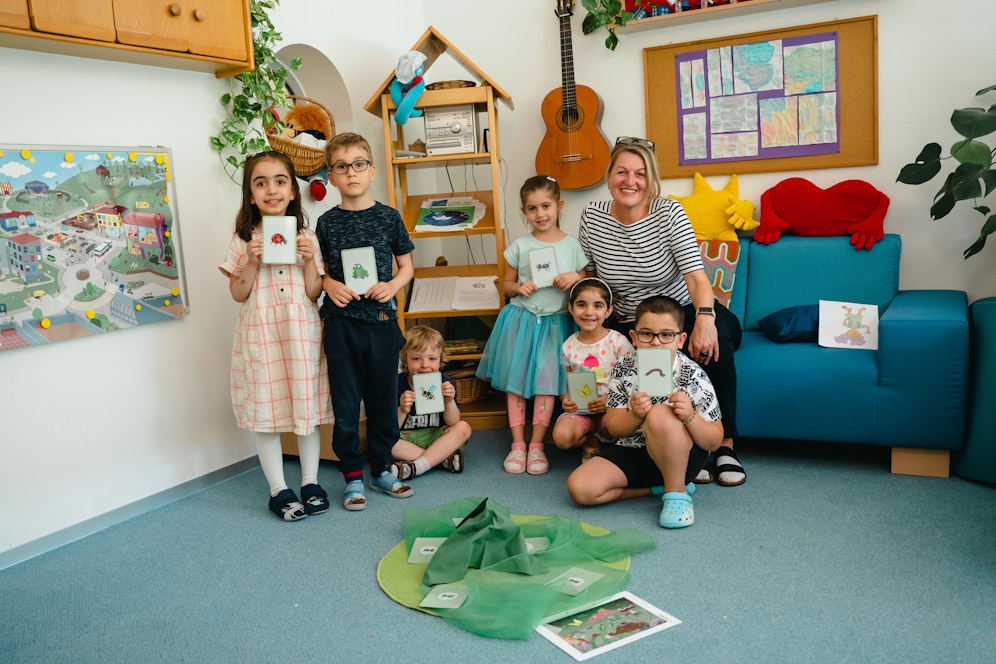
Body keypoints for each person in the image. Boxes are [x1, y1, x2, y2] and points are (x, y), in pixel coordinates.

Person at [577, 136, 746, 487]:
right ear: (609, 177)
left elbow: (698, 279)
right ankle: (614, 439)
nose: (630, 181)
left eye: (640, 174)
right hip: (628, 318)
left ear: (651, 181)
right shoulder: (592, 217)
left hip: (678, 309)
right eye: (621, 172)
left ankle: (724, 445)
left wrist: (704, 319)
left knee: (718, 339)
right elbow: (587, 271)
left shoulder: (668, 213)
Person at [219, 151, 334, 521]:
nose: (272, 189)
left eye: (280, 181)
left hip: (300, 332)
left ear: (292, 191)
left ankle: (311, 482)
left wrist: (308, 263)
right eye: (261, 182)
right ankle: (278, 489)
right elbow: (238, 293)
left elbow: (315, 291)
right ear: (251, 195)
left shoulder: (308, 238)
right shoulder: (242, 241)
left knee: (306, 410)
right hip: (262, 333)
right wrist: (252, 261)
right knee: (266, 413)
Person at [315, 132, 415, 511]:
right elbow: (317, 272)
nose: (351, 172)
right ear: (332, 176)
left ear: (372, 171)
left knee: (382, 404)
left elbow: (407, 266)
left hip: (382, 323)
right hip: (341, 326)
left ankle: (382, 469)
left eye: (359, 164)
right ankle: (351, 477)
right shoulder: (325, 223)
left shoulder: (389, 217)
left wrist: (391, 285)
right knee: (345, 406)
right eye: (342, 166)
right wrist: (328, 283)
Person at [566, 295, 724, 528]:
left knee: (660, 414)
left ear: (680, 340)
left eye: (666, 335)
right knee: (580, 489)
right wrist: (635, 415)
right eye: (647, 334)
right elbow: (615, 428)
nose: (657, 342)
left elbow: (713, 441)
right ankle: (654, 488)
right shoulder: (623, 368)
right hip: (633, 449)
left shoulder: (692, 374)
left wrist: (689, 416)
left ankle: (677, 493)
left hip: (681, 456)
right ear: (634, 337)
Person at [476, 175, 587, 475]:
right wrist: (519, 287)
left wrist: (575, 278)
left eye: (546, 206)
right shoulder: (520, 246)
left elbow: (586, 282)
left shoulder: (573, 246)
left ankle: (537, 445)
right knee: (515, 383)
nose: (540, 214)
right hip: (521, 322)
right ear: (524, 211)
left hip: (556, 325)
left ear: (559, 205)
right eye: (532, 209)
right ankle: (517, 444)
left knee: (546, 385)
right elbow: (507, 284)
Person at [552, 278, 633, 462]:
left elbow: (633, 382)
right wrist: (566, 401)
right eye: (581, 305)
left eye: (598, 306)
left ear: (608, 311)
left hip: (612, 411)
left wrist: (611, 401)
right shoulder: (568, 346)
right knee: (562, 438)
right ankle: (592, 439)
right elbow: (565, 382)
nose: (589, 312)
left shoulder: (618, 342)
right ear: (571, 308)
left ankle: (603, 443)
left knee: (620, 428)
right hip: (581, 412)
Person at [390, 325, 472, 480]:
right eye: (416, 358)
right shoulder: (397, 384)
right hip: (406, 438)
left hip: (436, 436)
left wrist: (448, 401)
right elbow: (391, 428)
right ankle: (440, 459)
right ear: (405, 361)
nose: (425, 365)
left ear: (440, 361)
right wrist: (402, 409)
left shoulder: (444, 382)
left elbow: (453, 421)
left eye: (432, 358)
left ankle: (417, 466)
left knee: (463, 428)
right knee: (382, 440)